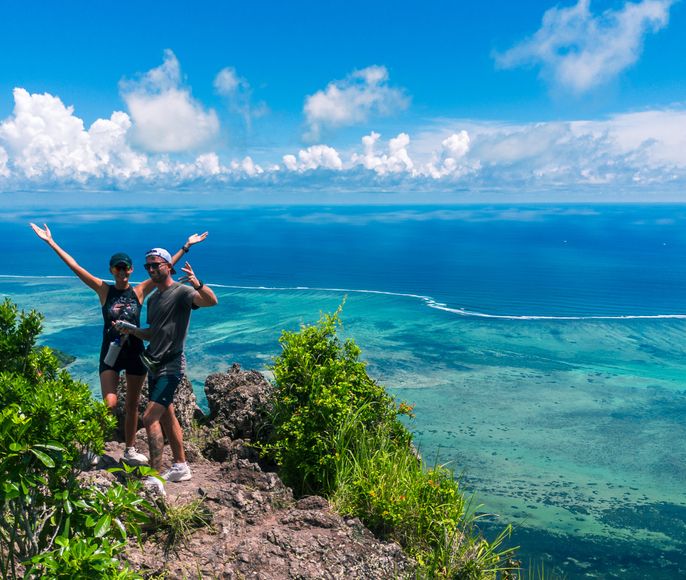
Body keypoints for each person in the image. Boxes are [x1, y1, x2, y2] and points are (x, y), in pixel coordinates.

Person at [29, 223, 208, 465]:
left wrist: (185, 247)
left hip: (135, 352)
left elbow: (163, 268)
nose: (122, 272)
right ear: (112, 270)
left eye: (126, 268)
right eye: (117, 268)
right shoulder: (104, 290)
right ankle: (93, 446)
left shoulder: (140, 291)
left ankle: (130, 449)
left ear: (132, 271)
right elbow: (75, 267)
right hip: (110, 354)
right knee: (110, 403)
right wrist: (51, 242)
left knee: (133, 405)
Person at [120, 248, 217, 493]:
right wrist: (131, 329)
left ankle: (154, 478)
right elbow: (152, 332)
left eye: (156, 265)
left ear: (168, 266)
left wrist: (199, 283)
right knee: (167, 415)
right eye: (148, 267)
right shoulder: (153, 300)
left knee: (149, 417)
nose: (152, 269)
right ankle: (181, 466)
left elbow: (210, 301)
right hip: (153, 363)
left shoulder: (182, 292)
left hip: (171, 366)